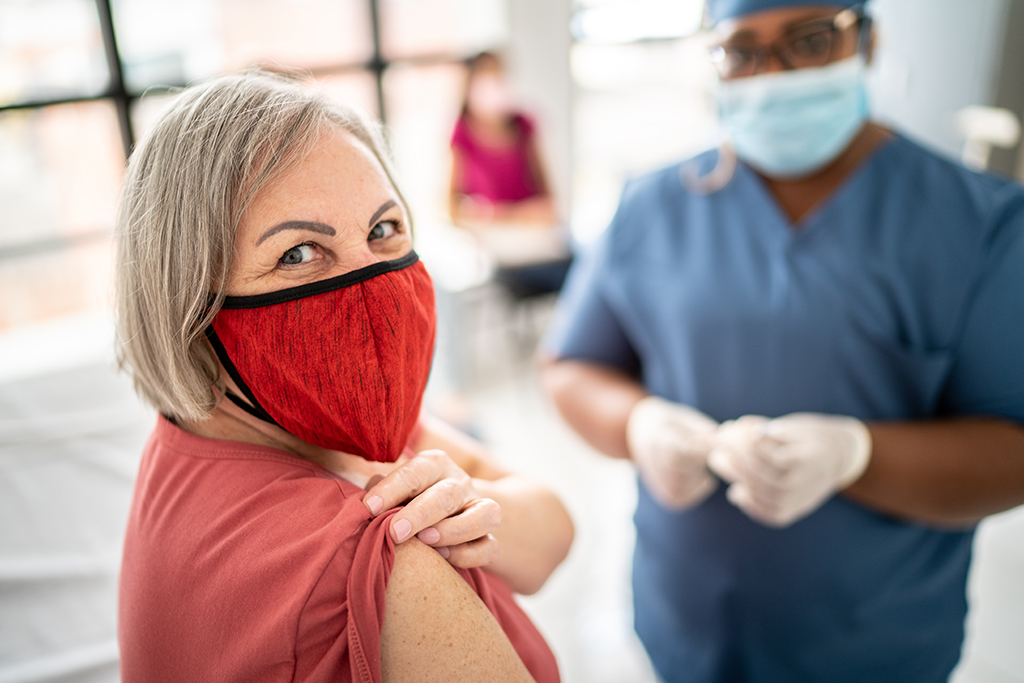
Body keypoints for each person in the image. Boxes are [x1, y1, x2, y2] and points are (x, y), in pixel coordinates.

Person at [541, 1, 1024, 681]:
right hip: (684, 623)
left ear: (870, 41)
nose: (773, 73)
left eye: (810, 39)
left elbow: (1013, 445)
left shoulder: (981, 222)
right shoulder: (653, 205)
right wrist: (637, 421)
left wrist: (857, 454)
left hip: (877, 641)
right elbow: (570, 367)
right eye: (742, 50)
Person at [115, 69, 572, 683]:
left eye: (383, 230)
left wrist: (477, 518)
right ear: (188, 302)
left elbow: (552, 531)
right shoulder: (386, 563)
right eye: (297, 253)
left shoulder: (229, 432)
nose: (373, 287)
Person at [450, 51, 572, 298]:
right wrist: (505, 216)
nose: (494, 83)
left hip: (539, 244)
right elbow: (450, 208)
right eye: (485, 76)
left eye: (499, 75)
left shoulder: (525, 126)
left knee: (576, 265)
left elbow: (549, 204)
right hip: (500, 251)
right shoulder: (461, 136)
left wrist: (506, 215)